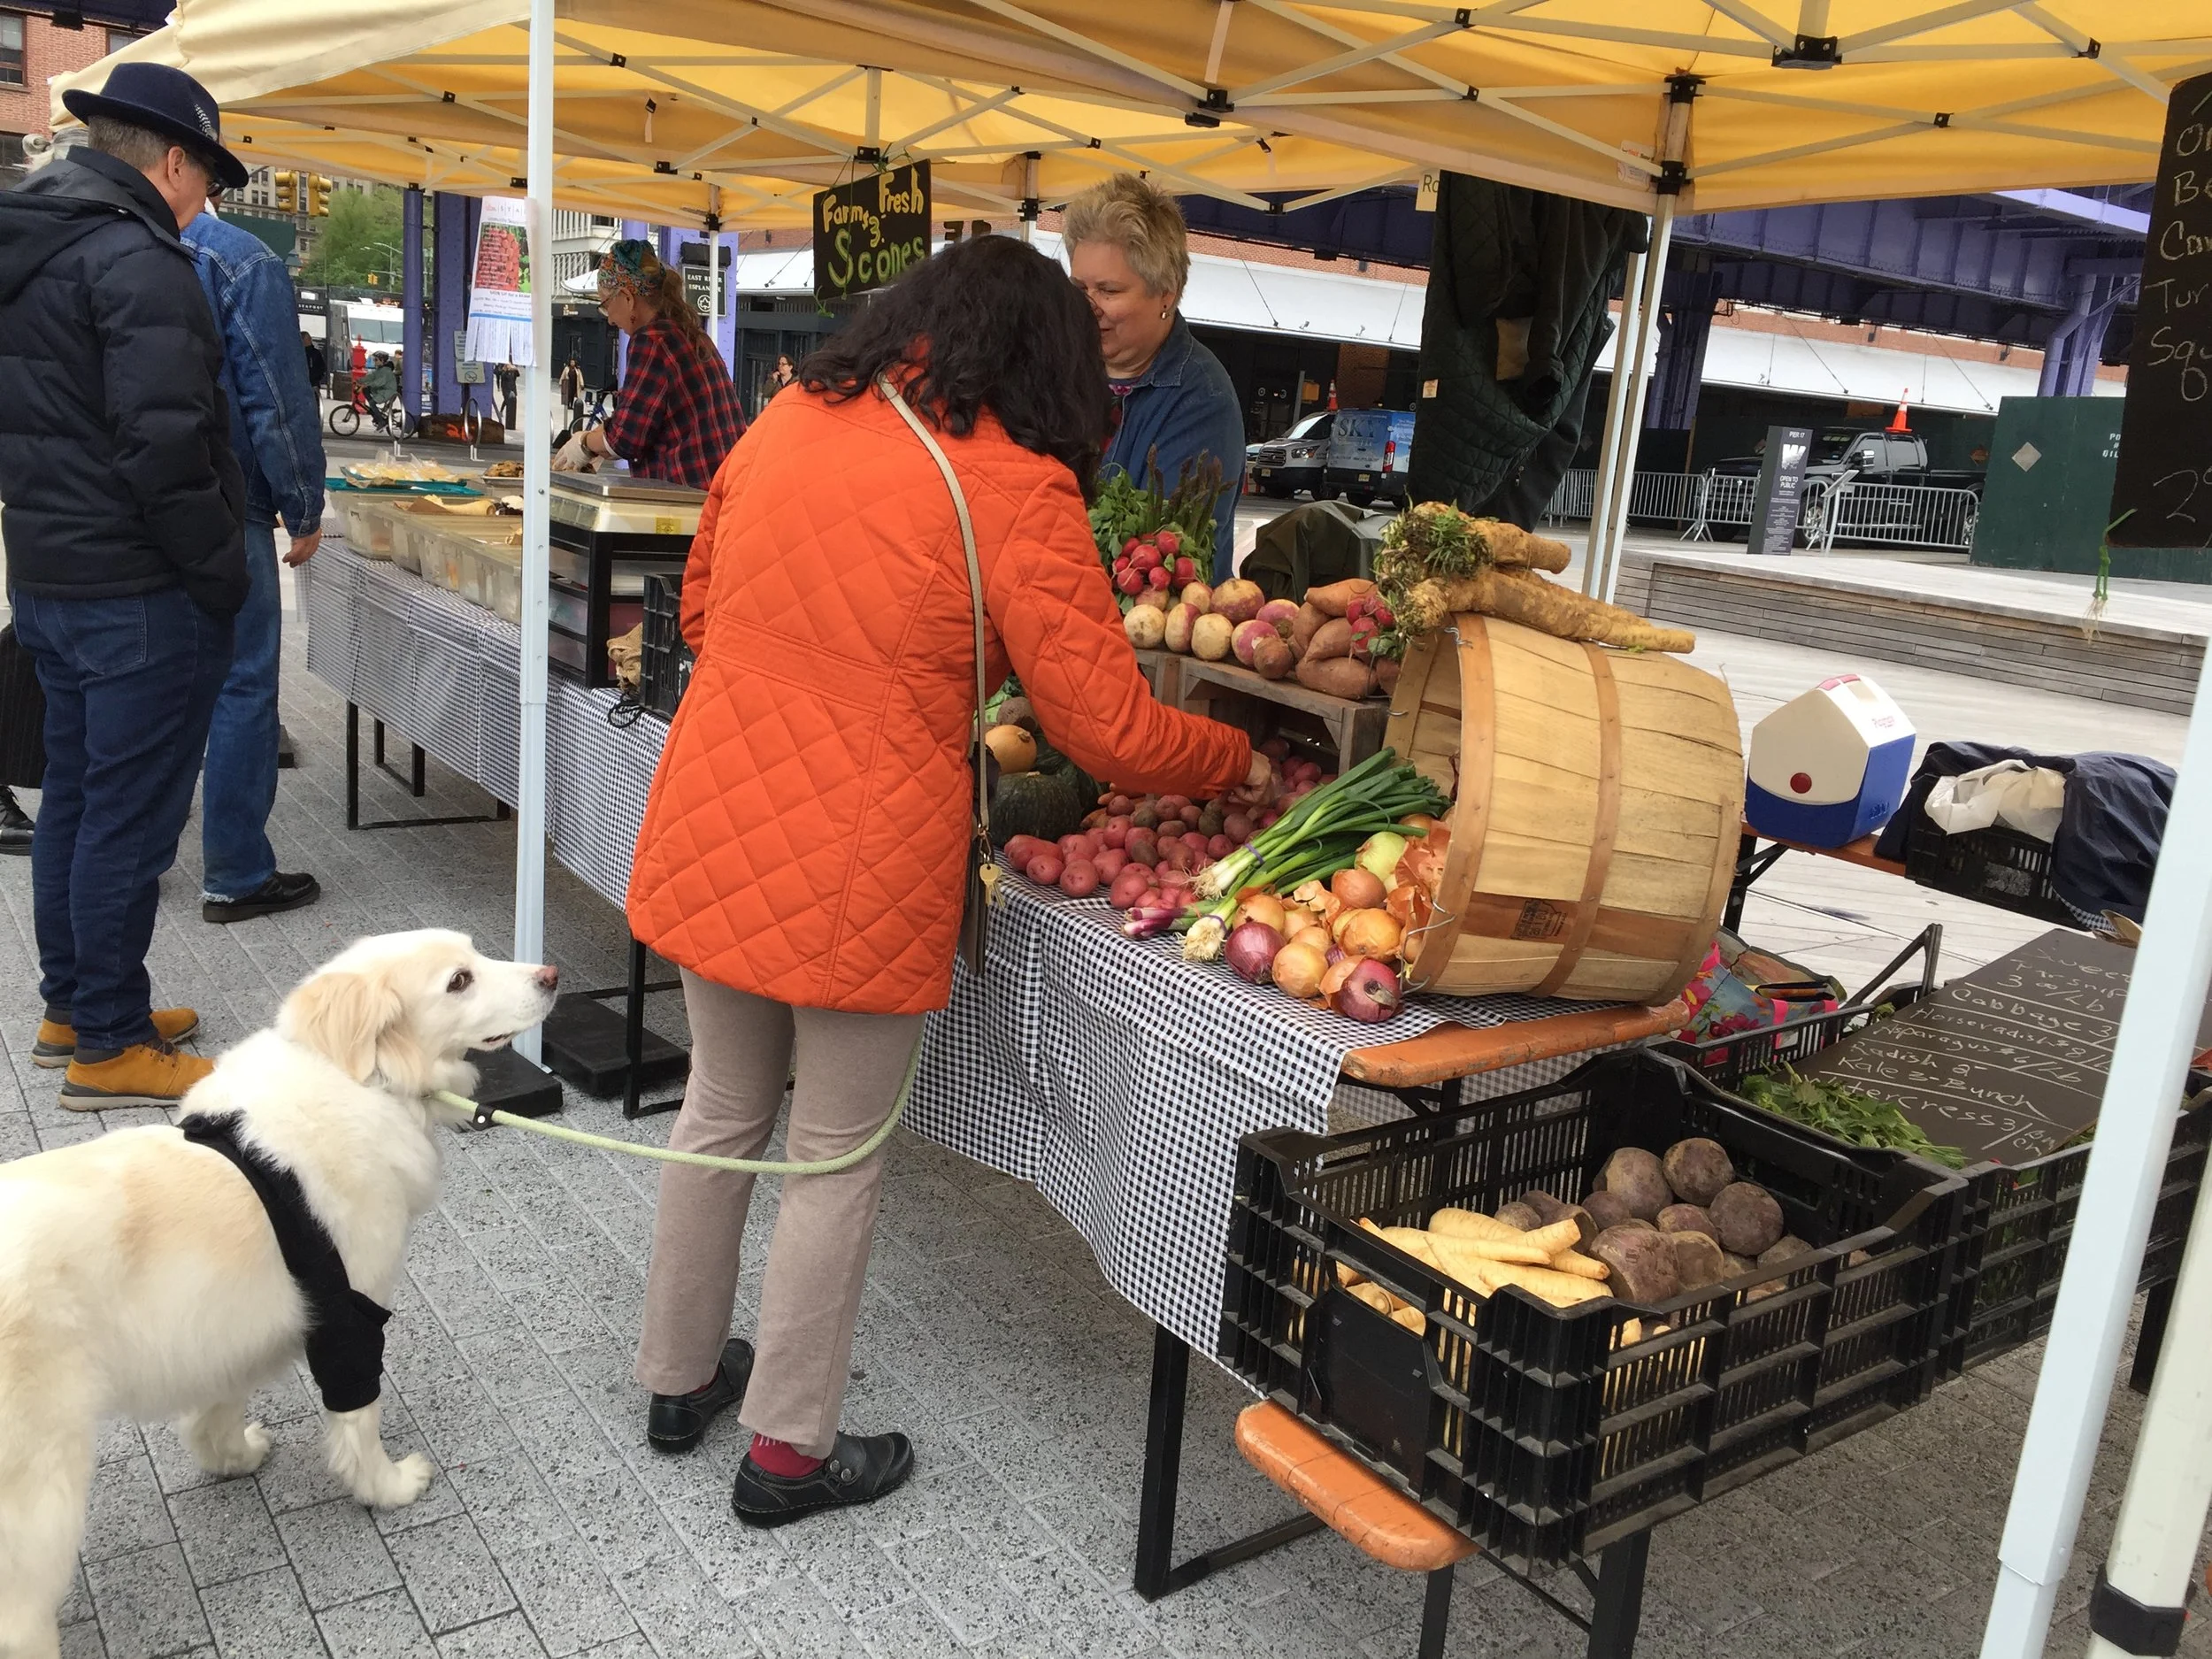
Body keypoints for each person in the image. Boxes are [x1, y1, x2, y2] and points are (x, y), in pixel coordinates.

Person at [624, 234, 1266, 1525]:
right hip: (862, 856)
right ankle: (788, 1453)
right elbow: (1105, 729)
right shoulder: (1016, 484)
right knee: (835, 1152)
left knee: (719, 1109)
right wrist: (1240, 749)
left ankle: (677, 1377)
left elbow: (697, 608)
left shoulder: (790, 416)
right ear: (1042, 357)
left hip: (711, 813)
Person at [0, 62, 249, 1109]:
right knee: (129, 821)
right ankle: (106, 1040)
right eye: (211, 181)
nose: (209, 205)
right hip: (137, 588)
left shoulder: (33, 244)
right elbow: (168, 449)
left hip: (53, 572)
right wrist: (218, 571)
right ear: (174, 158)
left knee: (78, 799)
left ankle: (78, 1002)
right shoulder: (140, 260)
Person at [185, 188, 326, 926]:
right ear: (182, 163)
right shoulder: (237, 259)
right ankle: (235, 869)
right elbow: (275, 394)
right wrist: (302, 505)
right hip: (223, 497)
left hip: (122, 507)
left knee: (160, 683)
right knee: (240, 684)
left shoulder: (96, 246)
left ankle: (136, 854)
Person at [1064, 173, 1247, 582]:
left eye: (1108, 291)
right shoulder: (1059, 368)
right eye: (1079, 287)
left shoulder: (1202, 400)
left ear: (1166, 293)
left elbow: (1157, 559)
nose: (1086, 306)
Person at [555, 241, 744, 489]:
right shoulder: (689, 334)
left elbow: (627, 438)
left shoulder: (651, 341)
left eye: (606, 304)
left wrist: (584, 443)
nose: (610, 319)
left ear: (626, 297)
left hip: (691, 494)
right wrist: (598, 441)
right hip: (728, 486)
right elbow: (639, 419)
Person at [361, 351, 401, 427]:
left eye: (376, 360)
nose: (374, 361)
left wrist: (366, 384)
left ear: (382, 361)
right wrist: (360, 380)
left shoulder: (386, 371)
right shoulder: (379, 370)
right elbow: (371, 377)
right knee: (366, 391)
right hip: (382, 390)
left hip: (388, 392)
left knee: (372, 403)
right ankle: (375, 413)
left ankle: (381, 421)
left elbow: (379, 382)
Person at [558, 355, 586, 427]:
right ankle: (568, 404)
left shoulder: (578, 370)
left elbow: (580, 378)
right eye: (571, 362)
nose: (572, 364)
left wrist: (582, 384)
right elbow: (563, 376)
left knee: (573, 395)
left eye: (573, 362)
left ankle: (571, 404)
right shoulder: (566, 369)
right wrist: (560, 382)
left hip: (575, 384)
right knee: (569, 394)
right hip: (568, 384)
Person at [302, 332, 327, 399]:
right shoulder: (315, 353)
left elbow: (322, 368)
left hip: (312, 384)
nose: (310, 340)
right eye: (309, 339)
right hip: (311, 384)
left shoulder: (314, 353)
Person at [495, 360, 518, 429]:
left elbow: (517, 375)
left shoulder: (512, 372)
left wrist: (515, 369)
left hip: (512, 389)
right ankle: (501, 411)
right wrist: (505, 369)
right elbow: (503, 376)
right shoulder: (504, 373)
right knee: (506, 400)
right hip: (506, 389)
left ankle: (501, 411)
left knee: (508, 401)